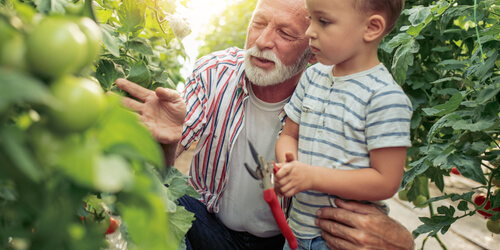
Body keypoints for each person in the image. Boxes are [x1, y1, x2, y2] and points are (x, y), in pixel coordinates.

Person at [115, 0, 415, 249]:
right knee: (156, 197)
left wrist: (398, 239)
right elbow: (165, 167)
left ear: (312, 49)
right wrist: (166, 142)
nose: (262, 41)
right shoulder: (213, 72)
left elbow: (367, 179)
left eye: (285, 33)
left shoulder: (335, 96)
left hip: (287, 239)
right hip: (211, 226)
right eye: (259, 23)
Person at [273, 0, 413, 249]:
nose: (309, 32)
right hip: (296, 229)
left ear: (371, 28)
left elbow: (386, 181)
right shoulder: (312, 77)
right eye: (311, 19)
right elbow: (289, 135)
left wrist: (312, 177)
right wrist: (289, 165)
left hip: (343, 239)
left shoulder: (384, 97)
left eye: (323, 21)